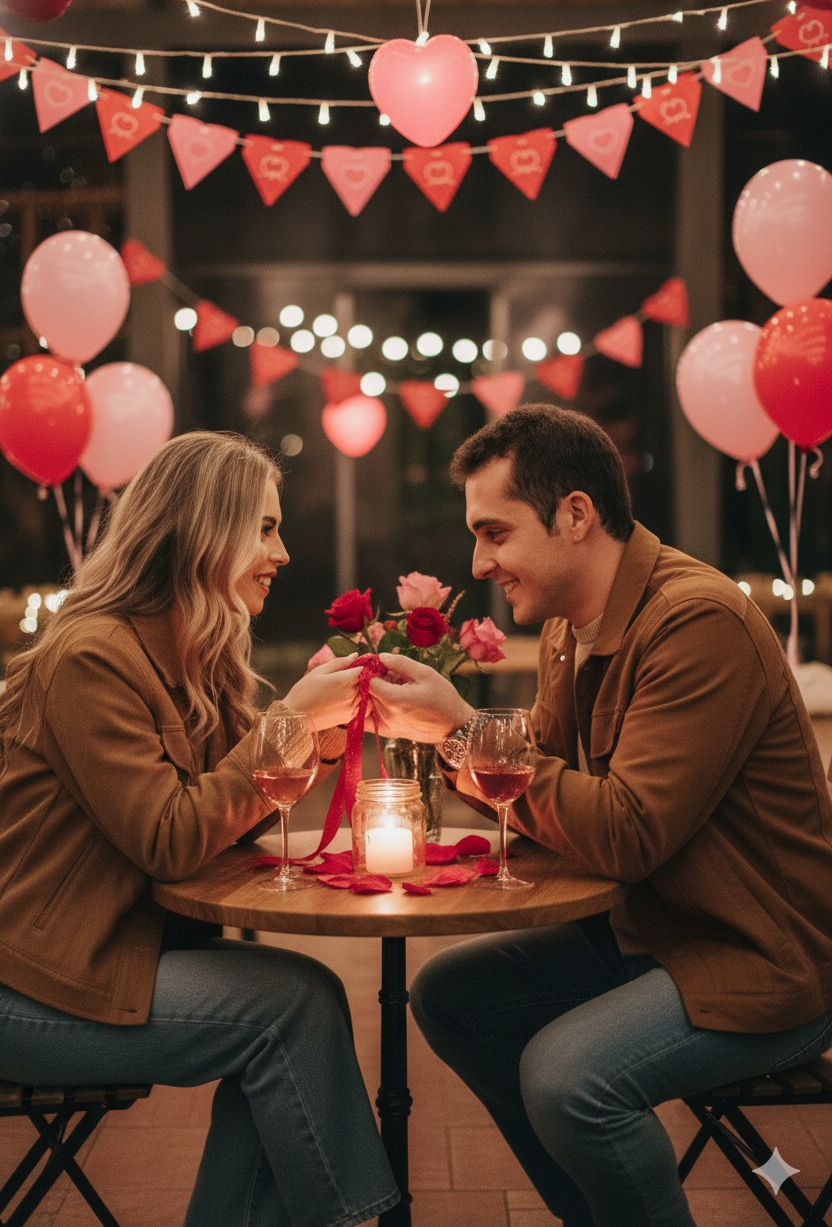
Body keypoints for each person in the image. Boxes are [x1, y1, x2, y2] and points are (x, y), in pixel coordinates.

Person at [368, 404, 832, 1227]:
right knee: (449, 996)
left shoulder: (697, 621)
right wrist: (439, 745)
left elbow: (624, 831)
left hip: (763, 955)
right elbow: (537, 793)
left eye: (495, 533)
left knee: (566, 1076)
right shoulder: (567, 630)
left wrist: (461, 729)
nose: (480, 563)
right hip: (655, 927)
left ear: (575, 514)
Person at [0, 430, 400, 1227]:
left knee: (290, 1014)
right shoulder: (92, 657)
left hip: (106, 956)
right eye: (263, 527)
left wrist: (315, 739)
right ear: (198, 532)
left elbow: (231, 817)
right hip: (33, 986)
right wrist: (288, 720)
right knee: (291, 1008)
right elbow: (172, 838)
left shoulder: (189, 656)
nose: (281, 552)